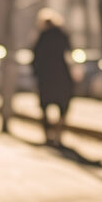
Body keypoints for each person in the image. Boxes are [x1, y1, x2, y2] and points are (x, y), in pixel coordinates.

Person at [29, 8, 74, 147]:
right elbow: (70, 53)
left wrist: (35, 74)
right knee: (63, 106)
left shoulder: (41, 36)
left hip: (46, 76)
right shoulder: (62, 34)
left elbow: (35, 58)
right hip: (61, 75)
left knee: (44, 107)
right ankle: (59, 135)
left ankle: (48, 136)